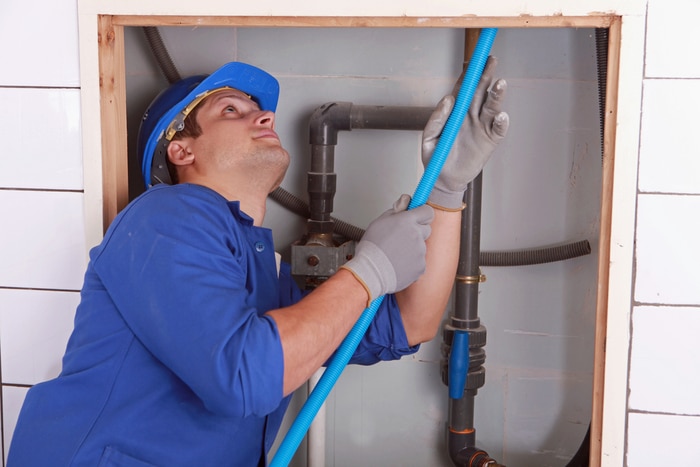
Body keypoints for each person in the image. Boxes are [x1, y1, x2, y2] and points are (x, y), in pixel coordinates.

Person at [8, 59, 508, 466]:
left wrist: (447, 190)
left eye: (259, 110)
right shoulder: (164, 217)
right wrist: (369, 270)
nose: (264, 116)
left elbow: (411, 322)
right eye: (231, 110)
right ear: (180, 149)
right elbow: (243, 376)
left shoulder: (262, 272)